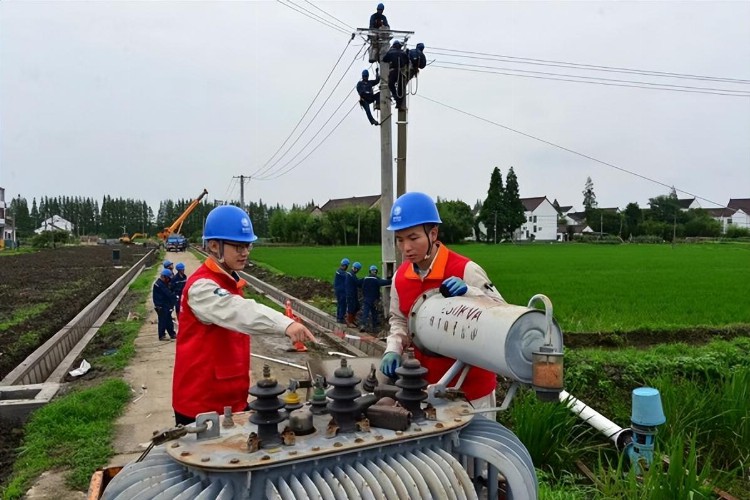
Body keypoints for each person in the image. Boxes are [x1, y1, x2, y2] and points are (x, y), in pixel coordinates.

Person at [172, 205, 316, 425]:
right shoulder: (202, 288)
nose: (245, 252)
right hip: (202, 407)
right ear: (214, 246)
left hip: (231, 399)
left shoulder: (229, 279)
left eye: (248, 245)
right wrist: (285, 324)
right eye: (238, 246)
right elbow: (241, 311)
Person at [379, 192, 505, 411]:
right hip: (425, 389)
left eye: (413, 237)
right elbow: (399, 320)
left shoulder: (464, 270)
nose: (406, 247)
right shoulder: (401, 277)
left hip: (472, 393)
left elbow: (502, 313)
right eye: (400, 239)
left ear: (433, 234)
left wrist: (470, 292)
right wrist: (393, 348)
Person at [360, 265, 391, 333]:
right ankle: (374, 327)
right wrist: (392, 280)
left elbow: (360, 285)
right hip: (374, 299)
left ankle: (363, 325)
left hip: (366, 298)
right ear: (376, 271)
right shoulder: (376, 279)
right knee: (374, 313)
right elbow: (384, 282)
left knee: (365, 312)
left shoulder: (365, 279)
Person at [382, 40, 409, 110]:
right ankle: (399, 103)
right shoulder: (403, 53)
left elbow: (384, 59)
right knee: (400, 87)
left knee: (391, 84)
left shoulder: (391, 52)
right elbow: (407, 61)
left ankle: (395, 96)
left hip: (393, 71)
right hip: (401, 72)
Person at [153, 268, 177, 341]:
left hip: (165, 304)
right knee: (163, 320)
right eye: (168, 278)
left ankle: (172, 334)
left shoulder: (163, 283)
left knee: (168, 319)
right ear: (165, 277)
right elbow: (168, 294)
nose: (169, 280)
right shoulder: (160, 284)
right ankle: (162, 335)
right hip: (161, 305)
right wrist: (175, 297)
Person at [345, 261, 363, 327]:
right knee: (351, 307)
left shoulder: (352, 274)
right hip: (350, 294)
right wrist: (364, 280)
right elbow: (357, 283)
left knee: (356, 306)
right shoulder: (350, 275)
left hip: (353, 293)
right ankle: (349, 321)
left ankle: (352, 320)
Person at [334, 258, 350, 323]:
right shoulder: (341, 272)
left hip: (338, 291)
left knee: (340, 304)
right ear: (345, 266)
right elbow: (348, 276)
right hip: (341, 291)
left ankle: (339, 317)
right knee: (343, 304)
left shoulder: (339, 271)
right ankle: (341, 318)